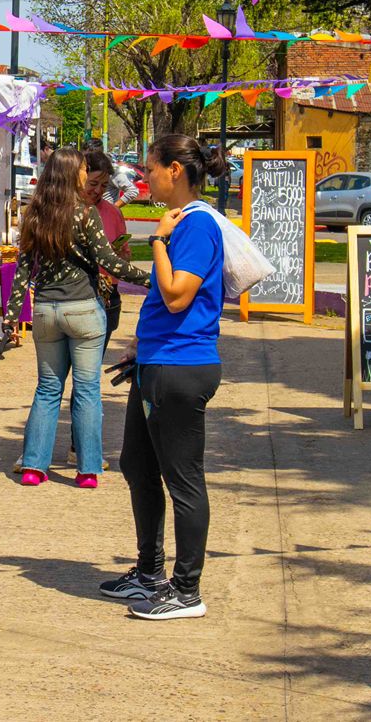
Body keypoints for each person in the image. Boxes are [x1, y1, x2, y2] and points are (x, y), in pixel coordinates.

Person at [99, 134, 228, 621]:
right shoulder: (180, 222)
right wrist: (141, 343)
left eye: (150, 168)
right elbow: (163, 301)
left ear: (174, 170)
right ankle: (149, 571)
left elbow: (177, 295)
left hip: (181, 366)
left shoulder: (196, 226)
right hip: (157, 360)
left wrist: (156, 240)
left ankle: (187, 589)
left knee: (183, 479)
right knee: (137, 464)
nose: (144, 177)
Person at [4, 148, 148, 489]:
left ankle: (34, 466)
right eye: (83, 169)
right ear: (72, 173)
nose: (86, 175)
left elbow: (22, 270)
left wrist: (11, 316)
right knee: (86, 390)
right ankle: (87, 469)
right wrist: (152, 279)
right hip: (83, 308)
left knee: (47, 388)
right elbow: (108, 261)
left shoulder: (34, 214)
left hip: (46, 311)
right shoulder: (84, 213)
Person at [83, 151, 131, 347]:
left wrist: (121, 255)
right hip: (76, 294)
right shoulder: (64, 210)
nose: (98, 191)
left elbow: (125, 258)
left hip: (107, 292)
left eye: (104, 186)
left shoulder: (113, 212)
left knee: (95, 359)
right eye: (93, 183)